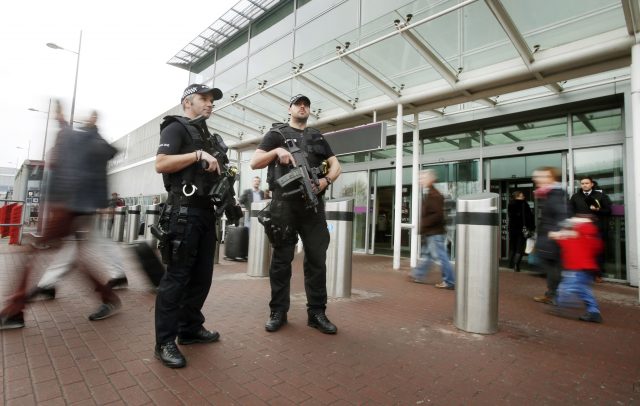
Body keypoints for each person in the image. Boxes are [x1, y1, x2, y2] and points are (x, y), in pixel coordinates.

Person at [0, 106, 123, 329]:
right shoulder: (84, 141)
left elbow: (80, 164)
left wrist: (63, 121)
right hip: (75, 205)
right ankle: (107, 297)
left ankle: (16, 308)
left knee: (37, 250)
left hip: (69, 204)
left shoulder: (81, 140)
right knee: (71, 256)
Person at [249, 94, 341, 334]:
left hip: (313, 206)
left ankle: (317, 313)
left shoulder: (317, 136)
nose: (303, 107)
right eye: (299, 104)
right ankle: (278, 312)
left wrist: (326, 181)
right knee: (281, 261)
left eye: (307, 104)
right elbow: (255, 162)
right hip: (284, 207)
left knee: (317, 261)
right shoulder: (276, 134)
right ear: (289, 108)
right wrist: (276, 151)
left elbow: (336, 164)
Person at [153, 83, 228, 368]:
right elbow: (161, 163)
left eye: (212, 100)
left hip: (206, 213)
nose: (210, 104)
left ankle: (189, 329)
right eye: (204, 99)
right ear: (187, 102)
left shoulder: (207, 136)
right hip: (182, 212)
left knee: (201, 276)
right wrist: (197, 155)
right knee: (177, 278)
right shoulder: (175, 128)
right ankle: (164, 342)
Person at [549, 216, 604, 323]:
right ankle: (594, 311)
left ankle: (561, 305)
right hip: (587, 267)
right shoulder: (588, 234)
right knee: (583, 289)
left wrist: (555, 234)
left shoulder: (574, 234)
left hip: (576, 267)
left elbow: (560, 238)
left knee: (568, 287)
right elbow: (597, 247)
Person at [409, 169, 455, 290]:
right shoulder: (430, 193)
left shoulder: (434, 195)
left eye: (423, 177)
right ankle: (418, 274)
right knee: (428, 255)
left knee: (441, 256)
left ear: (430, 179)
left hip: (435, 232)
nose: (420, 180)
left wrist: (425, 223)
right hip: (432, 232)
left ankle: (450, 281)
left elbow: (438, 215)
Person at [532, 166, 571, 304]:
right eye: (535, 177)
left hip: (552, 239)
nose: (536, 179)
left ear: (550, 178)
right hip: (549, 237)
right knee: (551, 268)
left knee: (553, 269)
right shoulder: (548, 193)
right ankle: (552, 294)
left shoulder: (556, 193)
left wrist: (558, 232)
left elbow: (562, 213)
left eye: (540, 177)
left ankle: (556, 296)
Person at [569, 176, 611, 281]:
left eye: (587, 183)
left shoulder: (600, 195)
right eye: (582, 183)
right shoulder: (575, 197)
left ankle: (598, 274)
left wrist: (598, 209)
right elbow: (570, 211)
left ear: (592, 184)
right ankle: (582, 274)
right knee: (581, 252)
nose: (584, 185)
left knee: (597, 253)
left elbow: (608, 211)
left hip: (596, 229)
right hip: (580, 229)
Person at [507, 190, 535, 272]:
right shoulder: (524, 204)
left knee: (513, 246)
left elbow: (511, 217)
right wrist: (531, 227)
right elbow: (529, 217)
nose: (523, 197)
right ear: (517, 196)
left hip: (512, 229)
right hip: (522, 229)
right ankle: (516, 265)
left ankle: (510, 264)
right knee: (520, 247)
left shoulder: (510, 204)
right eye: (522, 195)